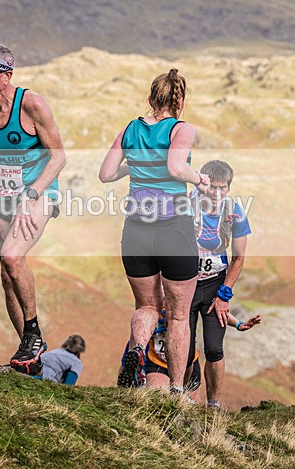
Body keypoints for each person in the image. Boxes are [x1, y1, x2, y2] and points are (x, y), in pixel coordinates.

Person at [99, 69, 210, 394]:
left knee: (146, 307)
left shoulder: (130, 129)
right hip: (173, 229)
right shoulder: (181, 129)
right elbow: (176, 168)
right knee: (177, 316)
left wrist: (133, 166)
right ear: (181, 102)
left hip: (136, 231)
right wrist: (199, 180)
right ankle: (177, 389)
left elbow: (106, 174)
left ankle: (137, 350)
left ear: (150, 99)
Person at [0, 43, 66, 375]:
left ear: (7, 75)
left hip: (40, 192)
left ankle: (33, 331)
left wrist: (33, 195)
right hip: (0, 198)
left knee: (12, 257)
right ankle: (30, 359)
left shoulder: (32, 104)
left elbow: (59, 157)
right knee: (7, 277)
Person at [187, 160, 252, 408]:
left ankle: (213, 406)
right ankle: (183, 399)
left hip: (215, 284)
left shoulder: (235, 212)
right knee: (186, 348)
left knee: (214, 348)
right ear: (202, 184)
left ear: (229, 188)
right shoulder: (187, 205)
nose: (216, 193)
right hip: (186, 284)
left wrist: (224, 295)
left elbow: (238, 258)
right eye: (211, 187)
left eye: (222, 188)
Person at [120, 309, 260, 395]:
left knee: (187, 407)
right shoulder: (149, 310)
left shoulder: (185, 295)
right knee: (159, 396)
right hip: (158, 364)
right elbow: (129, 352)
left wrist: (238, 324)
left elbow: (213, 309)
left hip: (188, 365)